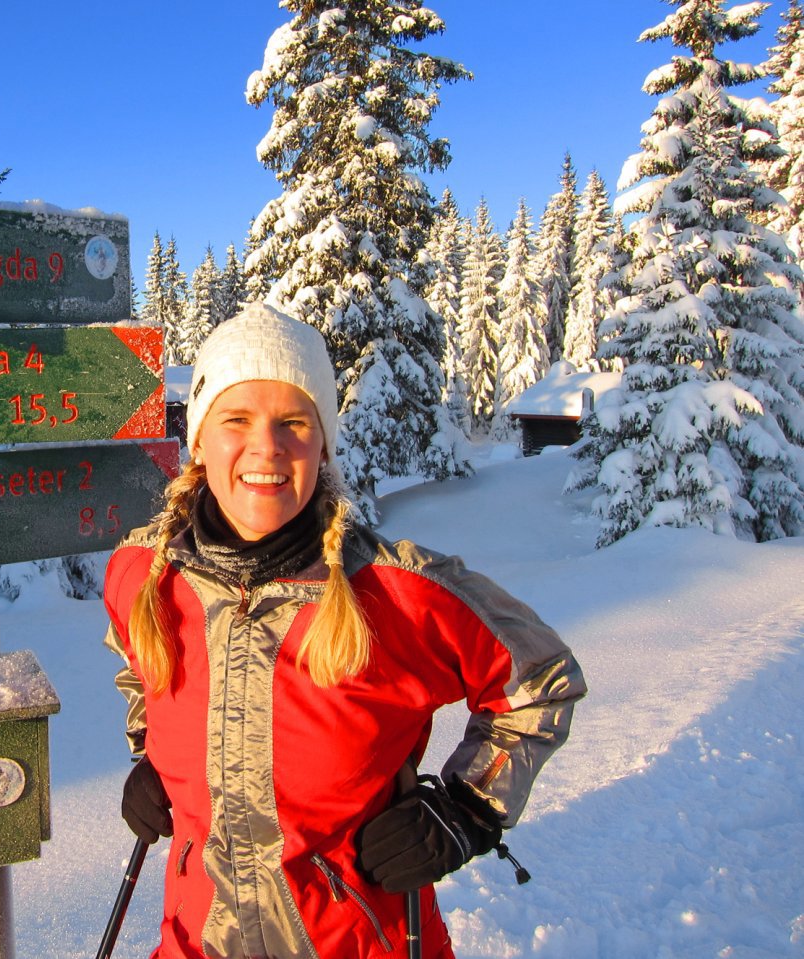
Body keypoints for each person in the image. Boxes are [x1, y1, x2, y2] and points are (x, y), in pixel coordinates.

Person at [102, 303, 586, 959]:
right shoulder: (143, 574)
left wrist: (467, 809)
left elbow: (540, 679)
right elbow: (139, 664)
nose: (266, 447)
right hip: (195, 939)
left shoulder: (397, 593)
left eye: (293, 422)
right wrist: (153, 750)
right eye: (236, 419)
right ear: (199, 440)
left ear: (323, 441)